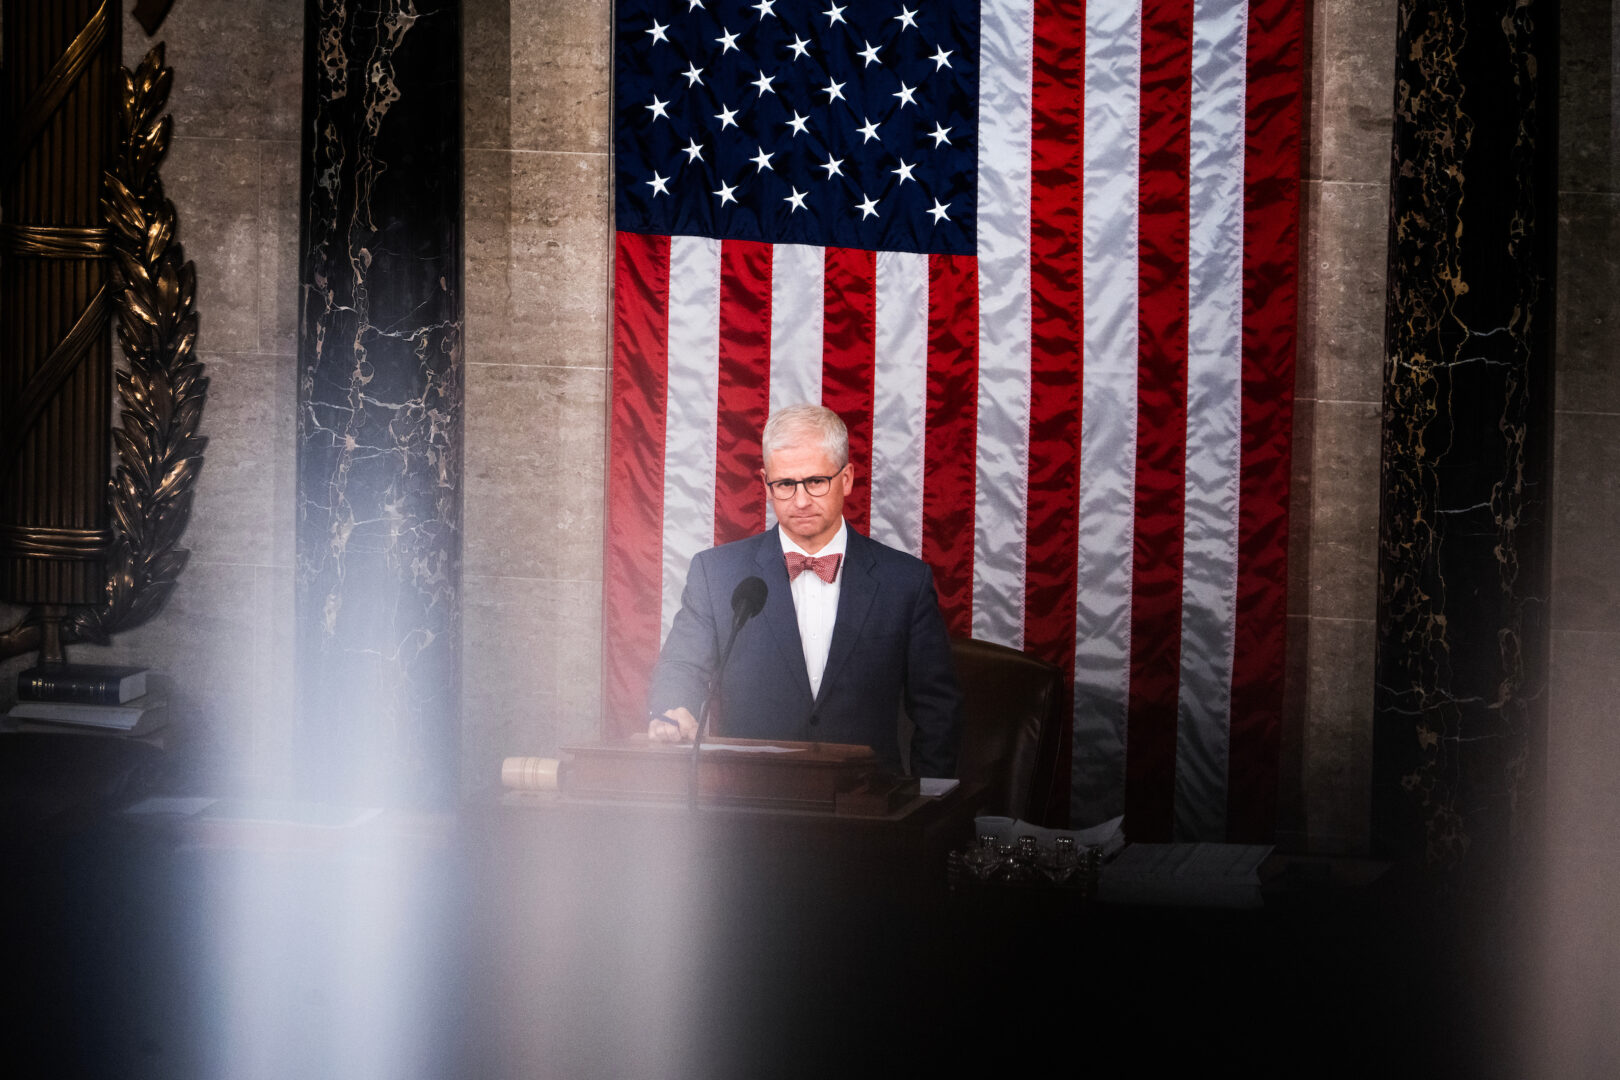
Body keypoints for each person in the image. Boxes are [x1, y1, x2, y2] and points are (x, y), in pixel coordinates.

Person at [645, 404, 961, 777]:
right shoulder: (716, 573)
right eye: (785, 484)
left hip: (869, 809)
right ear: (766, 483)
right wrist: (673, 707)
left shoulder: (905, 581)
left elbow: (938, 711)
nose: (800, 500)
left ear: (846, 479)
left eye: (815, 481)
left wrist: (924, 808)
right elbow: (681, 666)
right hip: (746, 801)